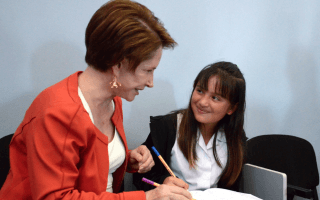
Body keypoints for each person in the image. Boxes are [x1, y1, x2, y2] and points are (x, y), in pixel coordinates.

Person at [0, 1, 193, 200]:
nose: (150, 82)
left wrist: (127, 159)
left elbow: (87, 161)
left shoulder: (112, 101)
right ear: (118, 64)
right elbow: (56, 197)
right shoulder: (56, 113)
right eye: (148, 70)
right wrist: (148, 198)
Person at [133, 61, 247, 192]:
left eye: (215, 98)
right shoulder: (167, 127)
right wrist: (163, 181)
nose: (203, 102)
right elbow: (141, 177)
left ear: (232, 108)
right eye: (200, 91)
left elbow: (233, 189)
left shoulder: (235, 137)